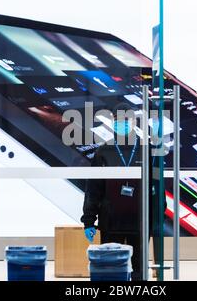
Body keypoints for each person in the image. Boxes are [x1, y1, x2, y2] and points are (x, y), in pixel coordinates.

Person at [81, 103, 144, 280]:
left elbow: (156, 188)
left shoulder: (146, 150)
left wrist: (155, 219)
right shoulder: (104, 150)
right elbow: (94, 188)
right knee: (109, 269)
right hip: (111, 220)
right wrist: (88, 220)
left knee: (138, 271)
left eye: (126, 119)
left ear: (133, 121)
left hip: (139, 221)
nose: (121, 123)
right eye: (117, 119)